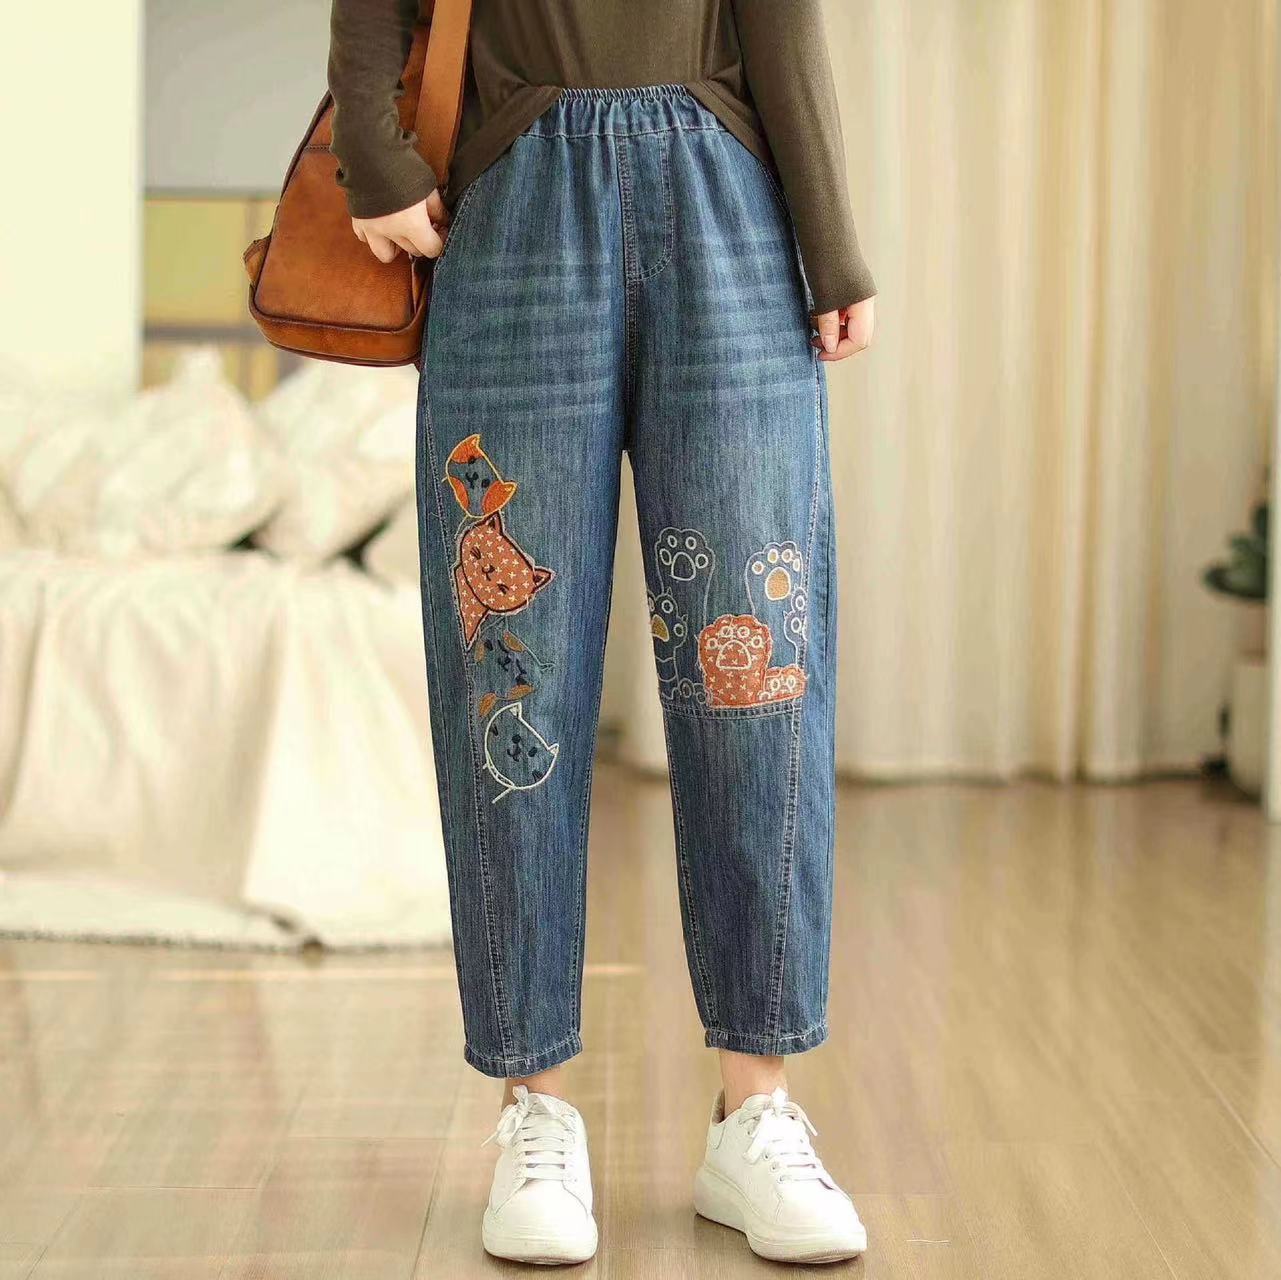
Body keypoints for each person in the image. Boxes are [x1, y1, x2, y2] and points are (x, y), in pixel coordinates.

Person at [328, 0, 875, 1265]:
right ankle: (536, 1105)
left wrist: (833, 242)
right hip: (514, 200)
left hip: (730, 205)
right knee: (512, 671)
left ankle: (757, 1109)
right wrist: (370, 144)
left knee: (756, 674)